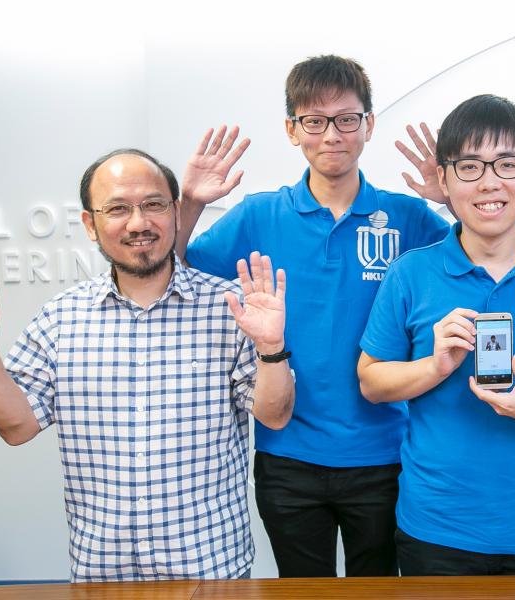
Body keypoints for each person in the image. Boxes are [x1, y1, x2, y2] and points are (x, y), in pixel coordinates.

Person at [0, 149, 294, 581]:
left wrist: (271, 344)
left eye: (153, 204)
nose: (138, 223)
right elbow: (17, 426)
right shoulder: (61, 318)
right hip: (101, 574)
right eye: (117, 208)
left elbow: (275, 414)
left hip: (211, 571)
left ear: (176, 213)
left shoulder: (229, 307)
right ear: (90, 224)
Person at [176, 55, 451, 577]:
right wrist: (189, 201)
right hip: (287, 456)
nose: (332, 135)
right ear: (291, 129)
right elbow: (176, 268)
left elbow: (482, 264)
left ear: (368, 125)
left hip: (385, 455)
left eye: (347, 119)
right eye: (315, 121)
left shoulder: (407, 217)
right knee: (301, 591)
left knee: (379, 590)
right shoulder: (261, 214)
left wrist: (452, 201)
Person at [357, 94, 515, 575]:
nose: (490, 182)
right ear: (445, 179)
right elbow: (371, 381)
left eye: (508, 164)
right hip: (436, 528)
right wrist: (434, 366)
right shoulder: (411, 273)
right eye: (470, 166)